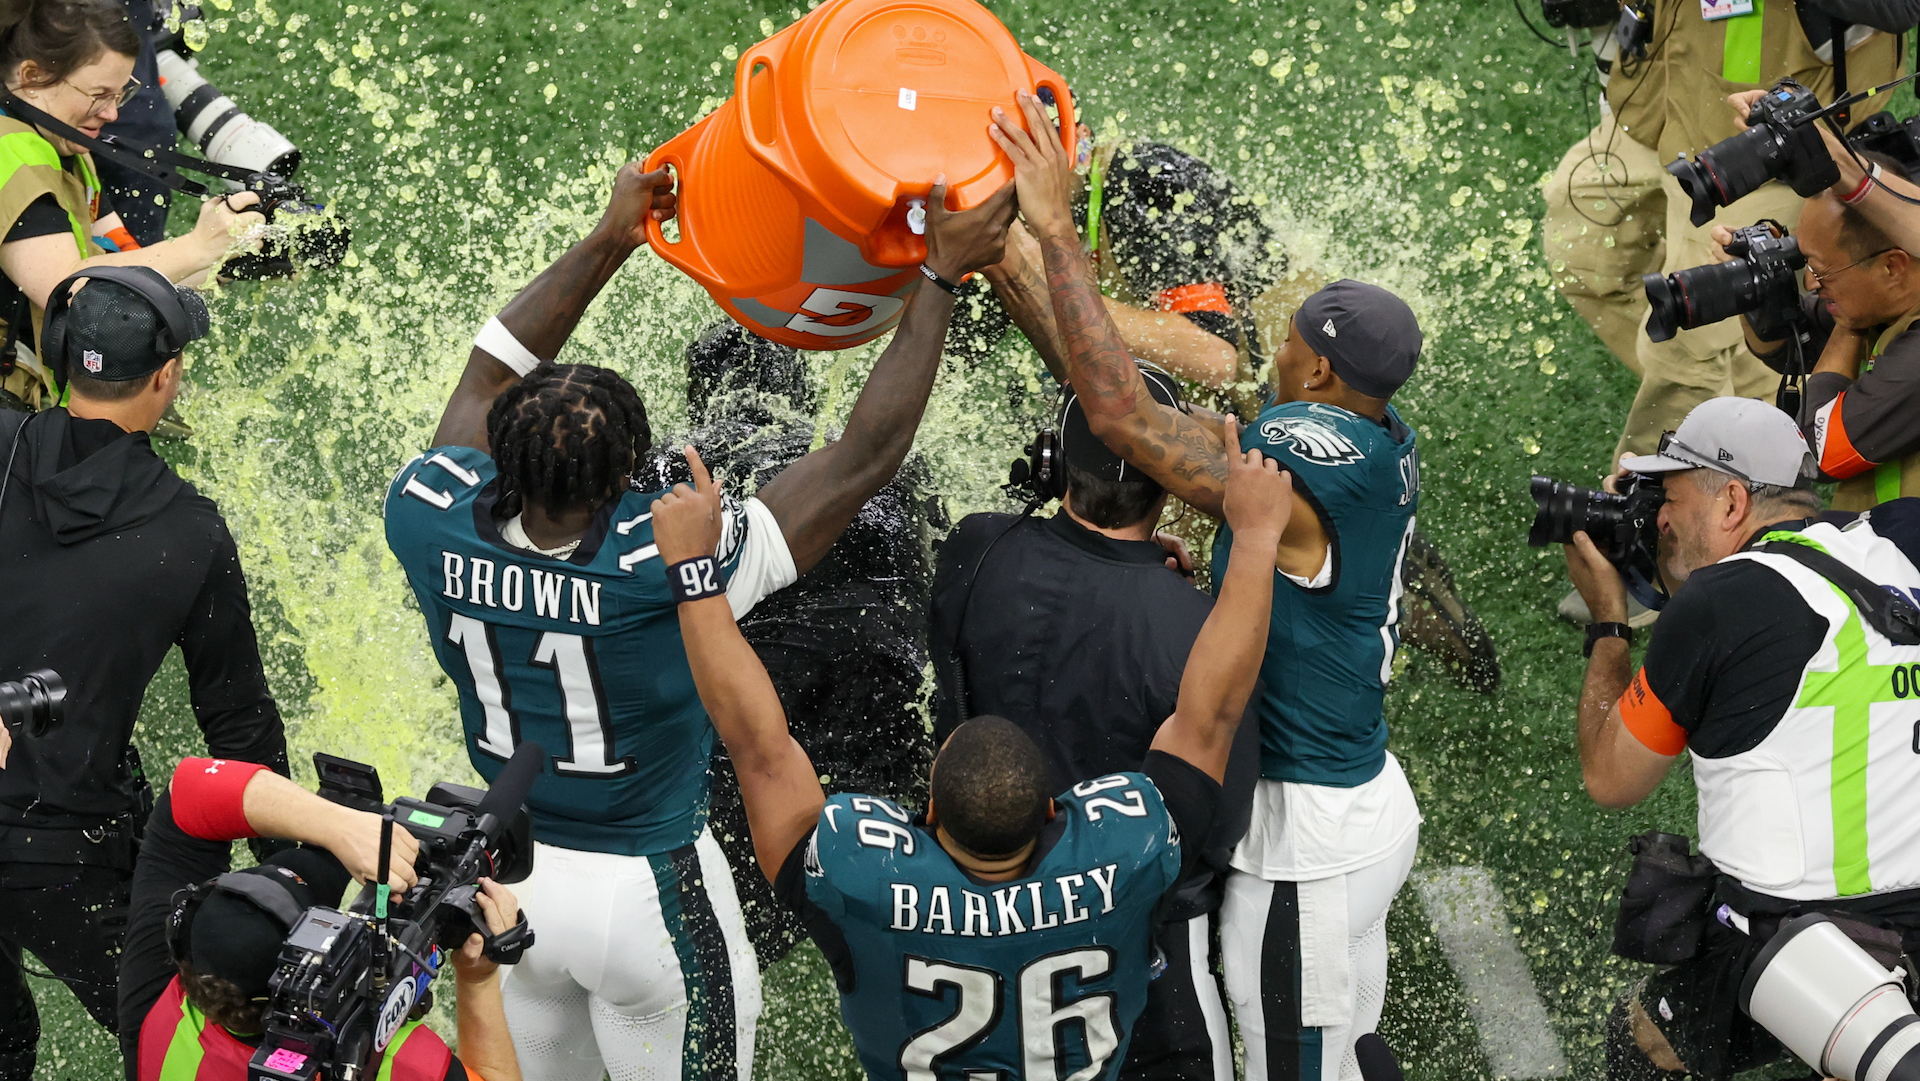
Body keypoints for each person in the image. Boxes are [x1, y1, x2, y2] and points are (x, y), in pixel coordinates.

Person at [382, 160, 1013, 1080]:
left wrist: (610, 239)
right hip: (650, 893)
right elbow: (864, 455)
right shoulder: (669, 561)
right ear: (627, 475)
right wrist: (940, 274)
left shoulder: (425, 513)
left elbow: (487, 373)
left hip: (509, 877)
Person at [990, 92, 1425, 1080]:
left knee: (1293, 1065)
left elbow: (1123, 419)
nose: (1276, 346)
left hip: (1306, 836)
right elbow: (1139, 422)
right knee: (1346, 1046)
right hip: (1358, 801)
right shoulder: (1381, 436)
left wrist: (1048, 234)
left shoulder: (1296, 455)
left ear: (1320, 370)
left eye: (1292, 341)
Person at [650, 407, 1291, 1077]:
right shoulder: (1126, 851)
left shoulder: (860, 877)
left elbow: (760, 746)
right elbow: (1211, 714)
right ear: (1054, 811)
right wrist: (1254, 538)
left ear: (927, 812)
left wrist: (693, 571)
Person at [1560, 395, 1920, 1081]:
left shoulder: (1716, 604)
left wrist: (1609, 622)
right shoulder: (1900, 540)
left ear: (1731, 502)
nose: (1659, 519)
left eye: (1669, 499)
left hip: (1805, 934)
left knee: (1644, 1041)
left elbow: (1612, 779)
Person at [928, 358, 1252, 1081]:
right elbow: (1220, 826)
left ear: (1053, 463)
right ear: (1169, 486)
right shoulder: (1197, 629)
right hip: (1142, 952)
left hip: (977, 916)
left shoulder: (974, 547)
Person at [0, 266, 286, 1081]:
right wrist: (290, 871)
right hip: (64, 854)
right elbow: (239, 724)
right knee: (187, 1040)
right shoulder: (191, 532)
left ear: (60, 351)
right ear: (166, 377)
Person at [638, 320, 946, 968]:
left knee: (748, 919)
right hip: (884, 705)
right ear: (800, 392)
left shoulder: (673, 474)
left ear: (702, 396)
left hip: (759, 721)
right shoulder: (891, 467)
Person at [1540, 0, 1914, 472]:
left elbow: (1901, 8)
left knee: (1685, 342)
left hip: (1764, 152)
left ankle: (1655, 503)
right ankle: (1750, 407)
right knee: (1582, 252)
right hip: (1659, 105)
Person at [118, 755, 521, 1081]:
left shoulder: (155, 1007)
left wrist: (341, 828)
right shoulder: (399, 1063)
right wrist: (478, 978)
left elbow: (187, 792)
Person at [0, 0, 261, 415]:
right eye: (99, 95)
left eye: (122, 93)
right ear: (32, 77)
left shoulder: (57, 142)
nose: (113, 112)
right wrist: (196, 246)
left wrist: (235, 258)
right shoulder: (9, 154)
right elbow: (68, 289)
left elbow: (123, 269)